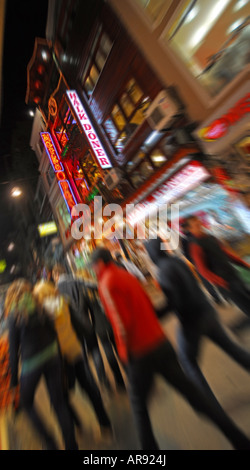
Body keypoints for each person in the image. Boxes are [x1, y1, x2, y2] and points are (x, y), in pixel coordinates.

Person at [90, 247, 250, 450]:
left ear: (101, 264)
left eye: (94, 266)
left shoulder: (106, 282)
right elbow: (148, 305)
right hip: (161, 344)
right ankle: (238, 438)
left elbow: (122, 324)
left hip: (140, 353)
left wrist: (124, 354)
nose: (94, 269)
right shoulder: (126, 275)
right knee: (194, 394)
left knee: (139, 407)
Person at [145, 236, 250, 414]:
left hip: (192, 322)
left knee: (188, 361)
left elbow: (174, 302)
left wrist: (155, 315)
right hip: (207, 312)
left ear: (152, 253)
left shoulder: (163, 271)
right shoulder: (177, 261)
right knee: (232, 349)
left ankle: (210, 407)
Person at [5, 279, 78, 450]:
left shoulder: (14, 315)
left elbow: (13, 352)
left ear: (11, 297)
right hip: (53, 357)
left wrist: (14, 381)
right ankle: (71, 445)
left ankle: (50, 443)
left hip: (32, 364)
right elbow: (54, 333)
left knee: (26, 402)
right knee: (59, 403)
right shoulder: (41, 307)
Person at [33, 280, 112, 433]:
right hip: (75, 350)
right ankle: (105, 423)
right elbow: (81, 325)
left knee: (60, 396)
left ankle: (76, 426)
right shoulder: (64, 302)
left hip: (58, 359)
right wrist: (86, 337)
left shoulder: (41, 314)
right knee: (89, 387)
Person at [52, 264, 125, 392]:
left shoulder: (55, 290)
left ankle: (97, 383)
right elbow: (92, 288)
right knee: (95, 351)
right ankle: (107, 380)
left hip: (71, 327)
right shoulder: (75, 281)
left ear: (56, 275)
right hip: (86, 322)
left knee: (84, 358)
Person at [185, 215, 250, 324]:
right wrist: (220, 282)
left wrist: (244, 264)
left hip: (232, 274)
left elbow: (226, 253)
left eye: (199, 222)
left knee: (247, 297)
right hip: (225, 282)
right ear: (190, 229)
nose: (199, 225)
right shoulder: (195, 246)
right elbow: (202, 270)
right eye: (195, 225)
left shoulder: (210, 237)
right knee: (245, 305)